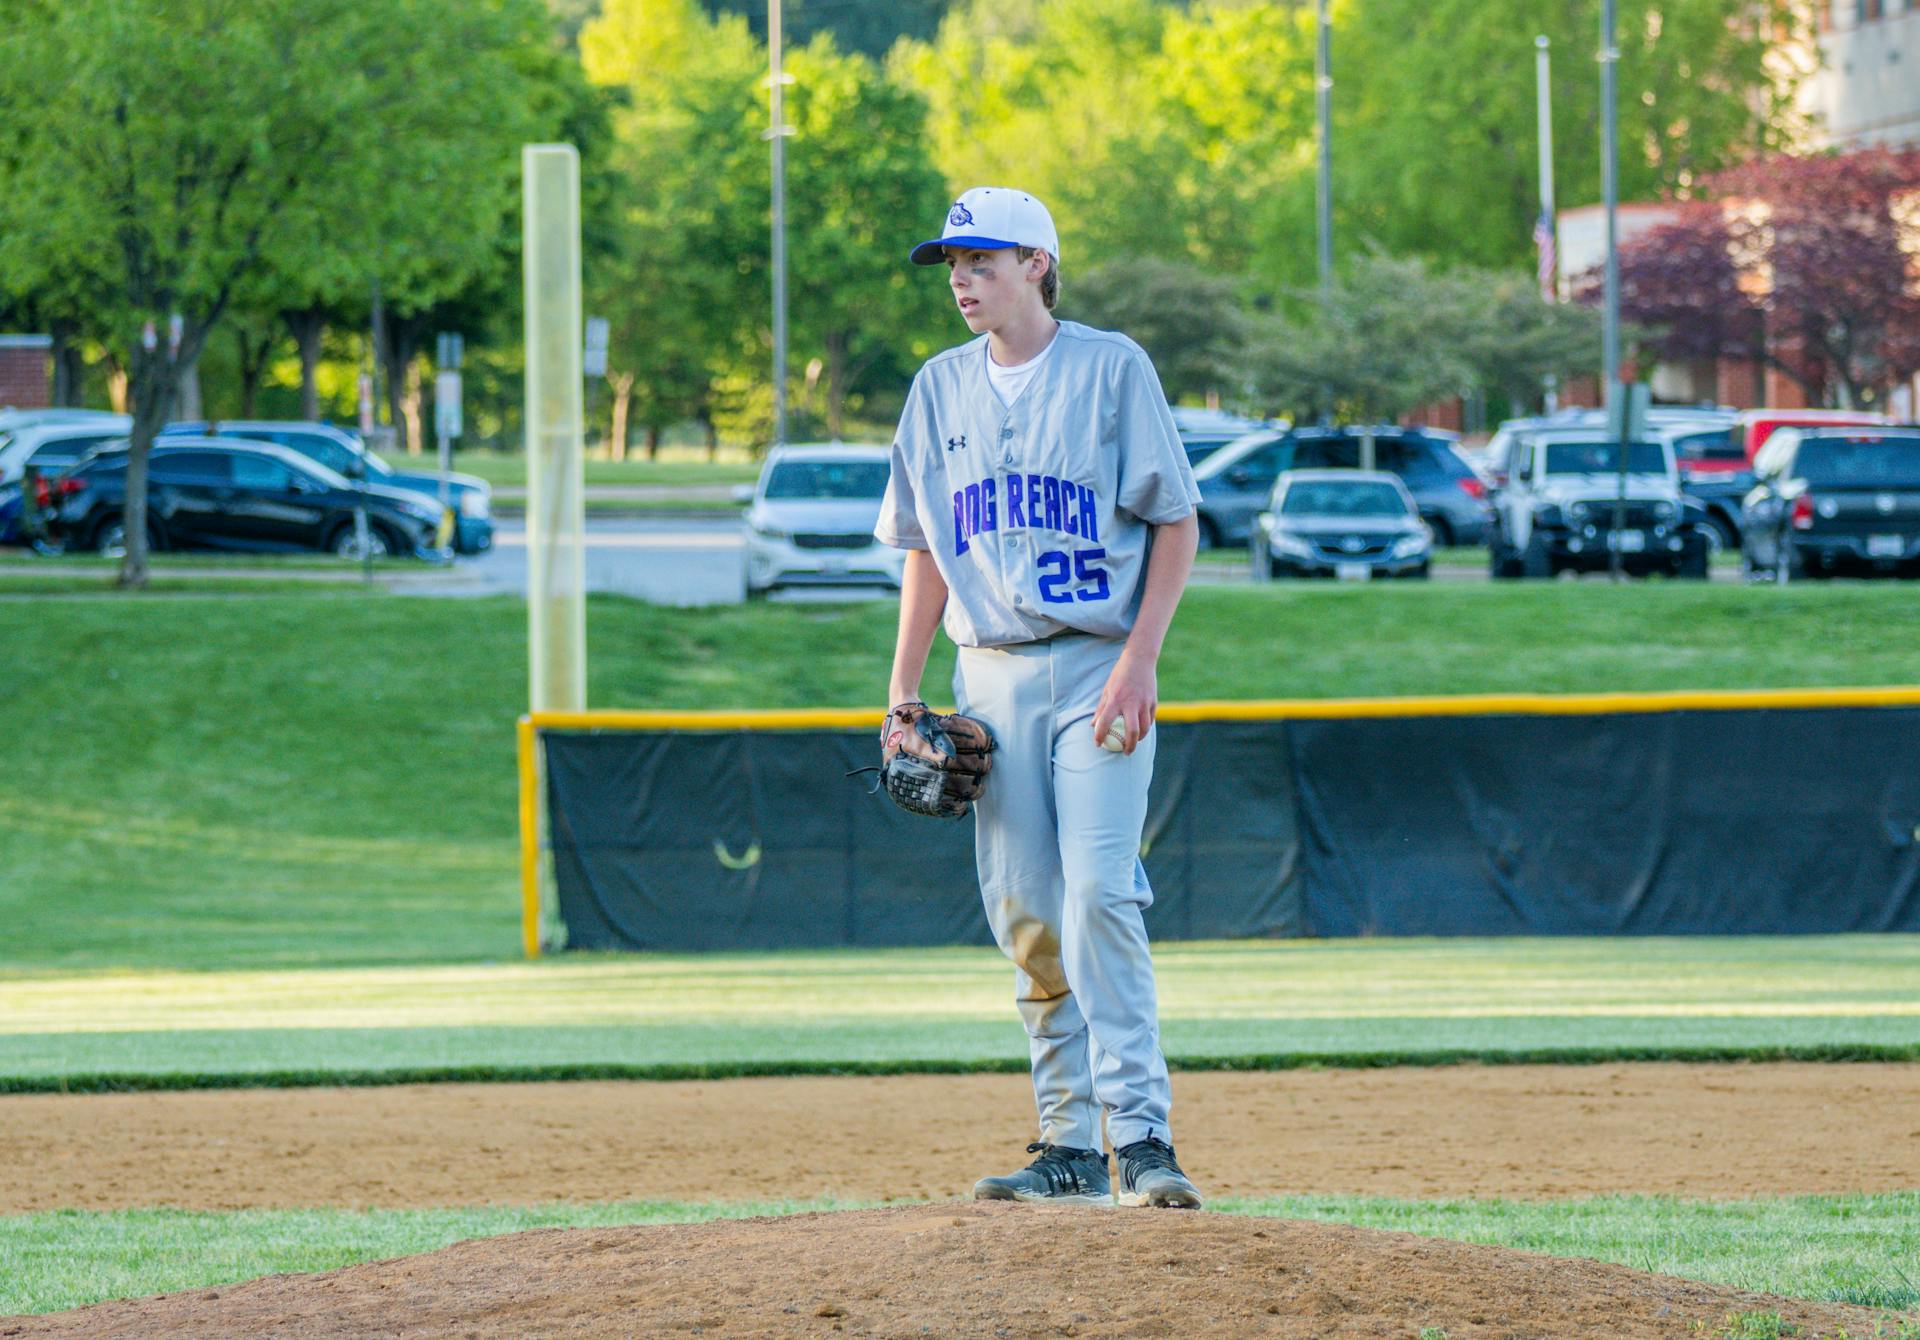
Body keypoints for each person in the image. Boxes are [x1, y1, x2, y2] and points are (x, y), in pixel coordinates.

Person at [874, 186, 1204, 1208]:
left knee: (1099, 890)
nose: (961, 279)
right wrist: (901, 689)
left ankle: (1142, 1136)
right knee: (1025, 909)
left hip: (1098, 666)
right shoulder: (937, 390)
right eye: (951, 265)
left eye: (979, 259)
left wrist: (1141, 660)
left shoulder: (1111, 369)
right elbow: (926, 547)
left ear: (1037, 263)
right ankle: (1066, 1141)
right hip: (993, 675)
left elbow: (1176, 521)